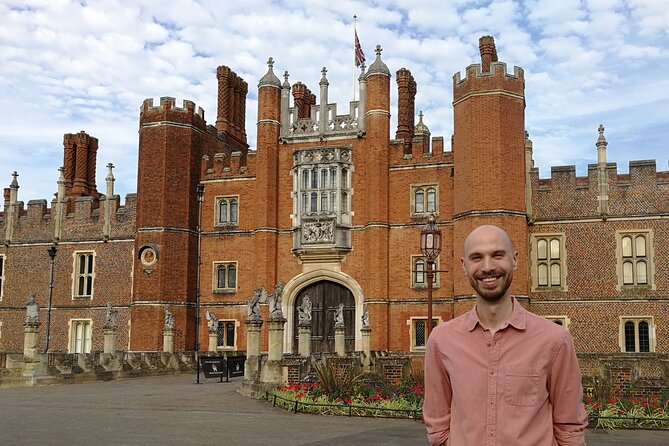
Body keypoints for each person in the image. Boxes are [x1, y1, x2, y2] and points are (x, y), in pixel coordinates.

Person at [424, 225, 587, 446]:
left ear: (515, 259)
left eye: (497, 255)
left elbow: (569, 429)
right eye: (477, 257)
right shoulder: (442, 340)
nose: (488, 267)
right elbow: (437, 424)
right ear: (464, 266)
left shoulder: (554, 340)